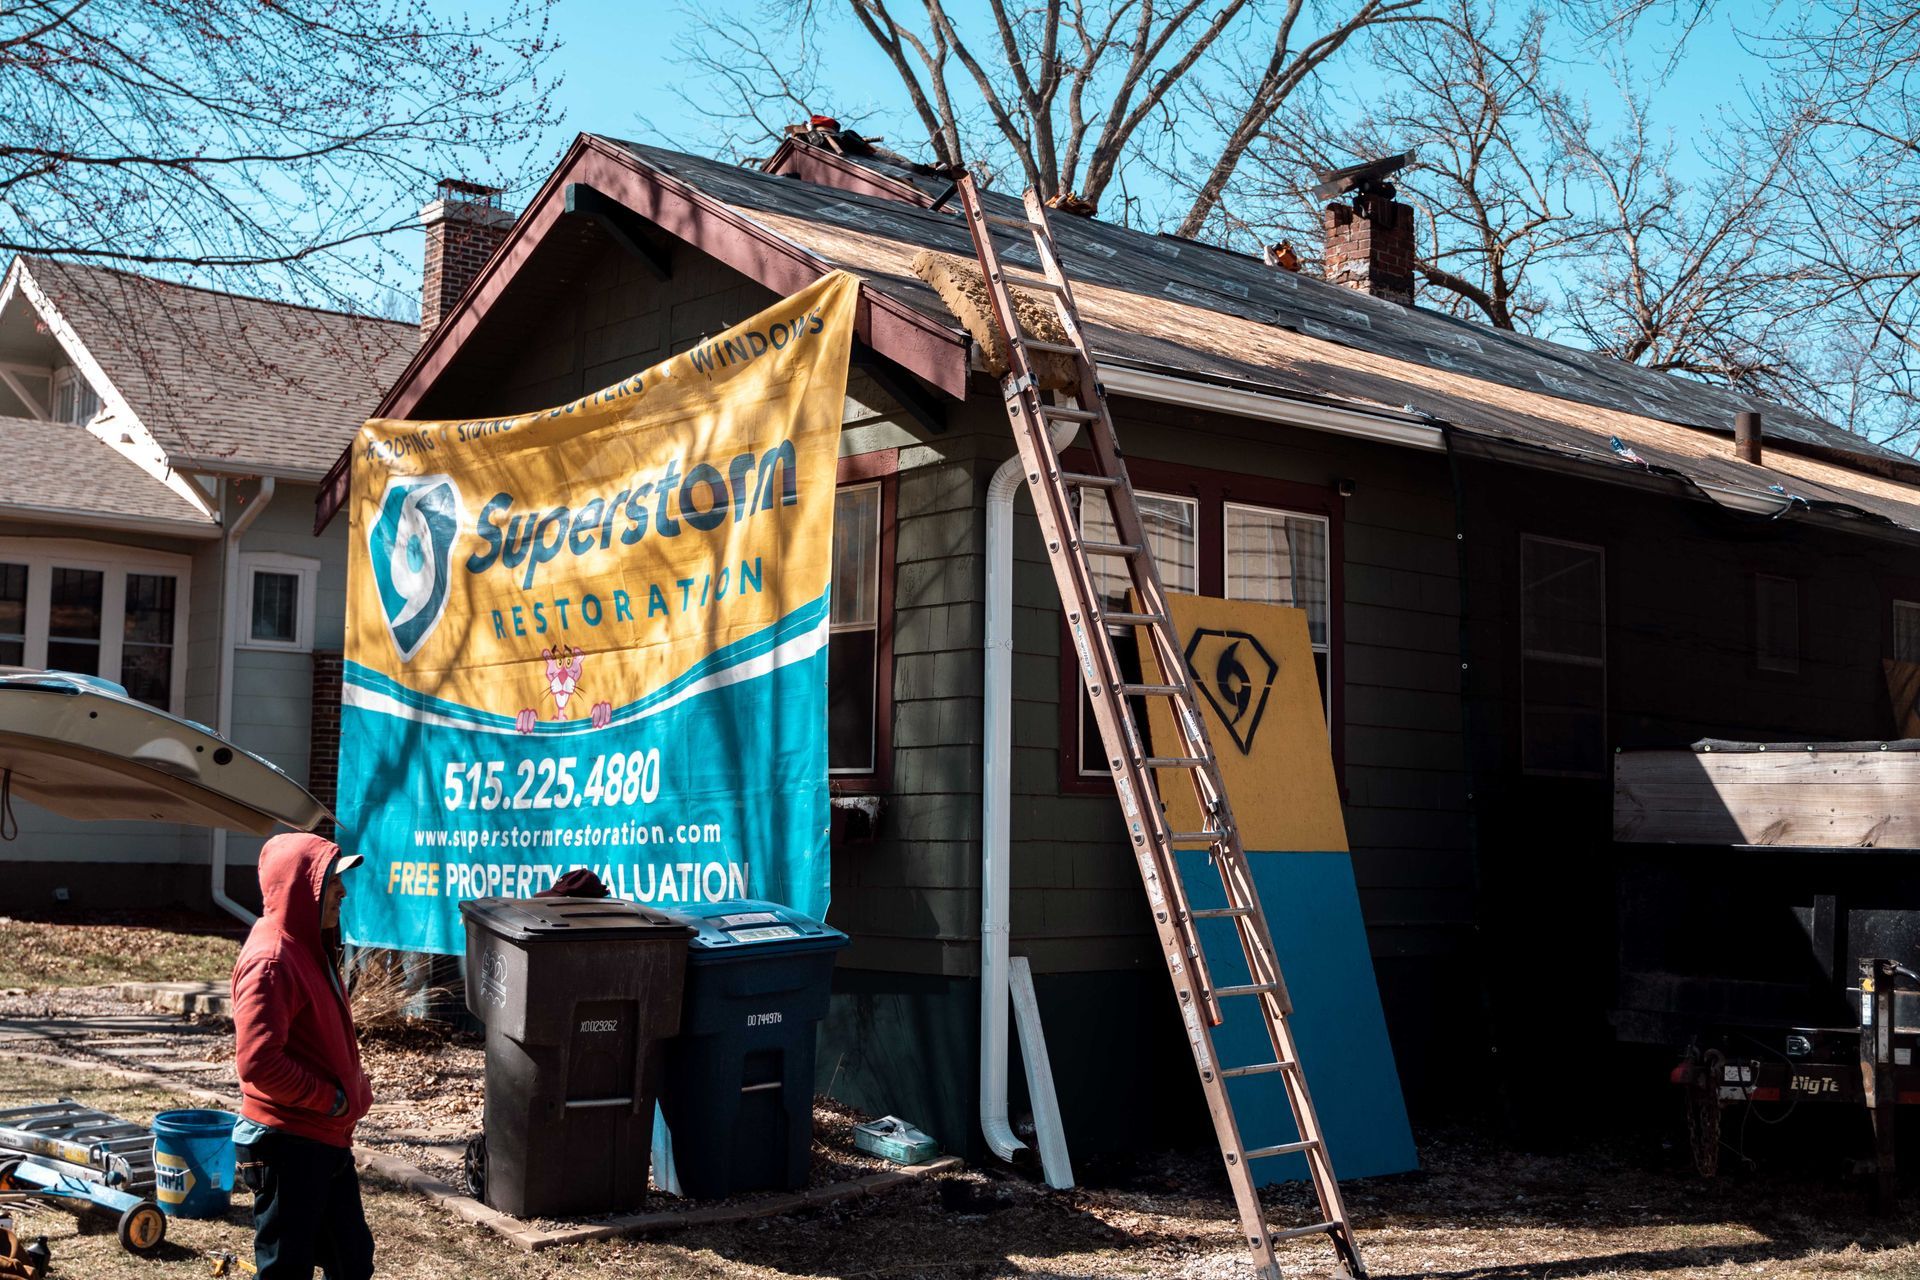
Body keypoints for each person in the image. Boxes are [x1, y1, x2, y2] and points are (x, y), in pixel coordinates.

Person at [230, 833, 376, 1279]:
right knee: (285, 1271)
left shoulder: (308, 946)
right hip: (288, 1143)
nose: (343, 892)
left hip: (324, 1139)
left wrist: (354, 1087)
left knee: (351, 1260)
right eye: (331, 882)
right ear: (301, 887)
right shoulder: (272, 959)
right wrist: (330, 1099)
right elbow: (259, 1063)